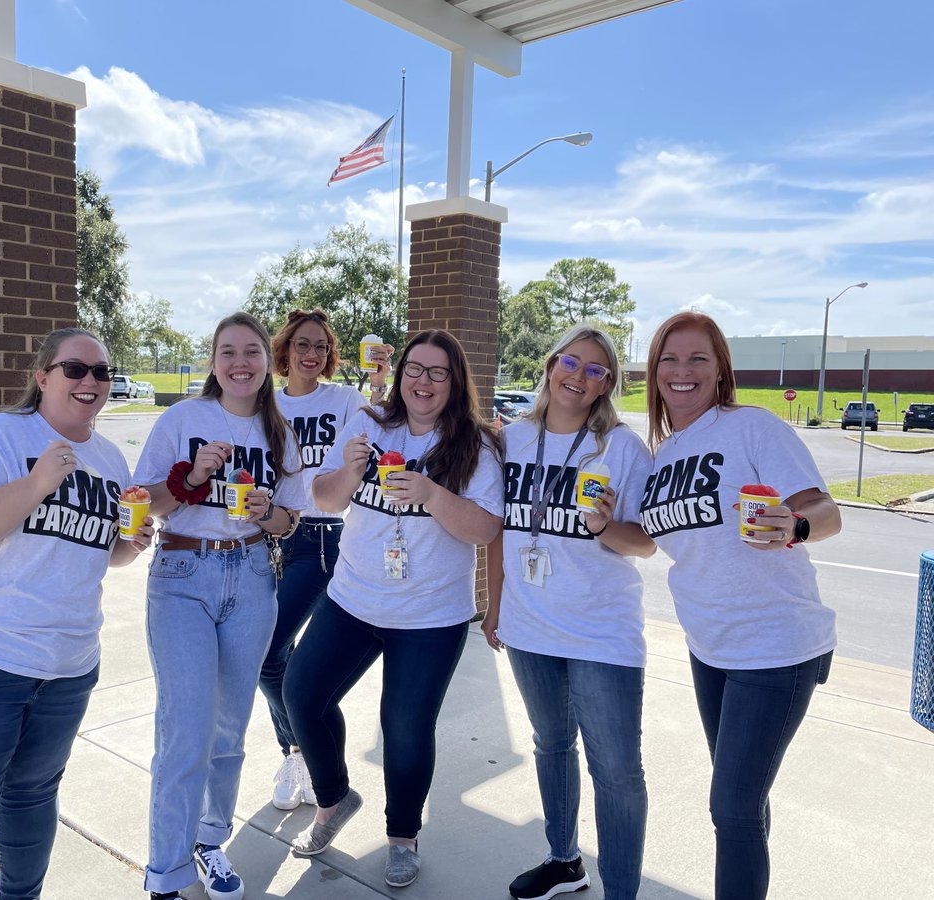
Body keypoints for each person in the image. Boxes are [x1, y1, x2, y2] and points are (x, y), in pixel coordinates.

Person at [0, 326, 154, 900]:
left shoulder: (110, 459)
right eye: (75, 369)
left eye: (102, 372)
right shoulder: (1, 435)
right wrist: (38, 481)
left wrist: (127, 547)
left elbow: (92, 550)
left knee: (33, 802)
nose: (90, 381)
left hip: (65, 668)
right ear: (43, 376)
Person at [283, 329, 503, 889]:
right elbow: (326, 500)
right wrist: (350, 469)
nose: (422, 382)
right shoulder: (369, 424)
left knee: (404, 730)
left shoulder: (474, 445)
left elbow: (484, 529)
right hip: (352, 599)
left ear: (455, 383)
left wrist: (430, 493)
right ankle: (333, 799)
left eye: (436, 372)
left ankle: (402, 837)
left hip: (430, 618)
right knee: (302, 693)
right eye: (414, 370)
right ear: (399, 374)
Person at [637, 311, 840, 900]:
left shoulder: (753, 428)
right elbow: (650, 541)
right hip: (711, 649)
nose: (682, 371)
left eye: (698, 358)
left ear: (720, 368)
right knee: (745, 805)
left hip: (777, 647)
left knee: (732, 808)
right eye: (670, 359)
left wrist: (795, 526)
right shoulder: (663, 454)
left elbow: (828, 512)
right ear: (653, 373)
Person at [132, 311, 305, 900]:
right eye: (227, 352)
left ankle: (209, 842)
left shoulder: (279, 431)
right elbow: (146, 502)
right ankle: (166, 873)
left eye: (251, 352)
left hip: (253, 575)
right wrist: (192, 477)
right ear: (213, 362)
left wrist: (265, 512)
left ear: (266, 362)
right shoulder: (183, 419)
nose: (240, 363)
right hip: (182, 574)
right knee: (184, 730)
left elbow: (291, 520)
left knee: (229, 726)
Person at [482, 325, 656, 900]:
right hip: (530, 625)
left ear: (609, 384)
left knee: (617, 771)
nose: (579, 377)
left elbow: (644, 543)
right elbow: (501, 531)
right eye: (571, 362)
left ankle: (622, 891)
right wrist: (495, 603)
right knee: (551, 743)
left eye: (596, 369)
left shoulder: (622, 448)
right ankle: (564, 861)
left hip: (600, 630)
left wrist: (607, 526)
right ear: (551, 363)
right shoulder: (515, 438)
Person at [257, 309, 391, 810]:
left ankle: (303, 751)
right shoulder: (264, 405)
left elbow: (382, 426)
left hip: (326, 537)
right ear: (285, 351)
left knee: (269, 651)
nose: (311, 355)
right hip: (271, 536)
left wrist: (379, 385)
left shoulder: (345, 400)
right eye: (302, 345)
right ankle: (301, 752)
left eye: (320, 347)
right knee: (271, 653)